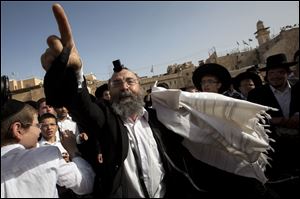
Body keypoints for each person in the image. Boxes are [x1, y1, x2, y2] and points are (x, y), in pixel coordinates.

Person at [41, 4, 275, 198]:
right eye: (116, 83)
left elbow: (208, 134)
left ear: (141, 87)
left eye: (130, 81)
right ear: (109, 92)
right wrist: (76, 72)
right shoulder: (107, 121)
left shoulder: (161, 119)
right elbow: (83, 106)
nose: (124, 86)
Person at [1, 99, 95, 198]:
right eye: (37, 125)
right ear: (18, 130)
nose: (39, 131)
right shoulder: (48, 155)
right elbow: (86, 184)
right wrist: (73, 151)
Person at [247, 53, 299, 198]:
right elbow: (252, 120)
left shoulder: (299, 87)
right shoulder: (256, 94)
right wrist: (275, 120)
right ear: (266, 75)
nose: (275, 76)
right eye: (272, 73)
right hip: (275, 152)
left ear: (288, 73)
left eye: (280, 72)